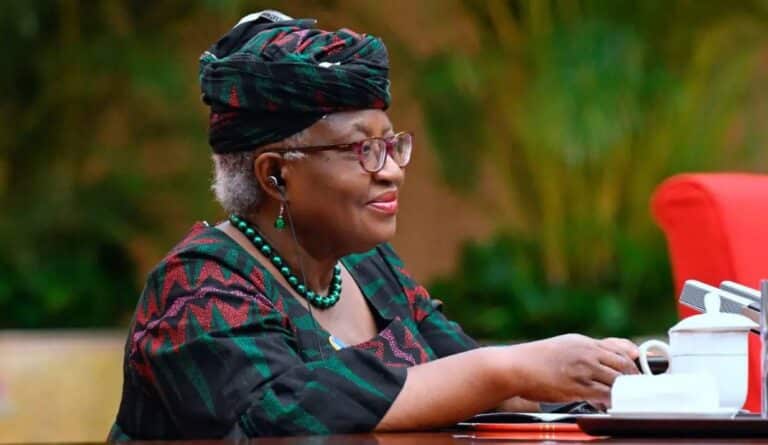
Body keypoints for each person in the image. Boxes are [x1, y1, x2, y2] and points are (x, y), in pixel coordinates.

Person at [110, 10, 638, 440]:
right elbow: (280, 417)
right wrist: (507, 369)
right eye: (363, 149)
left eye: (391, 145)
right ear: (275, 176)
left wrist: (597, 375)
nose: (392, 171)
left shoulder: (369, 269)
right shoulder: (197, 290)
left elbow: (463, 372)